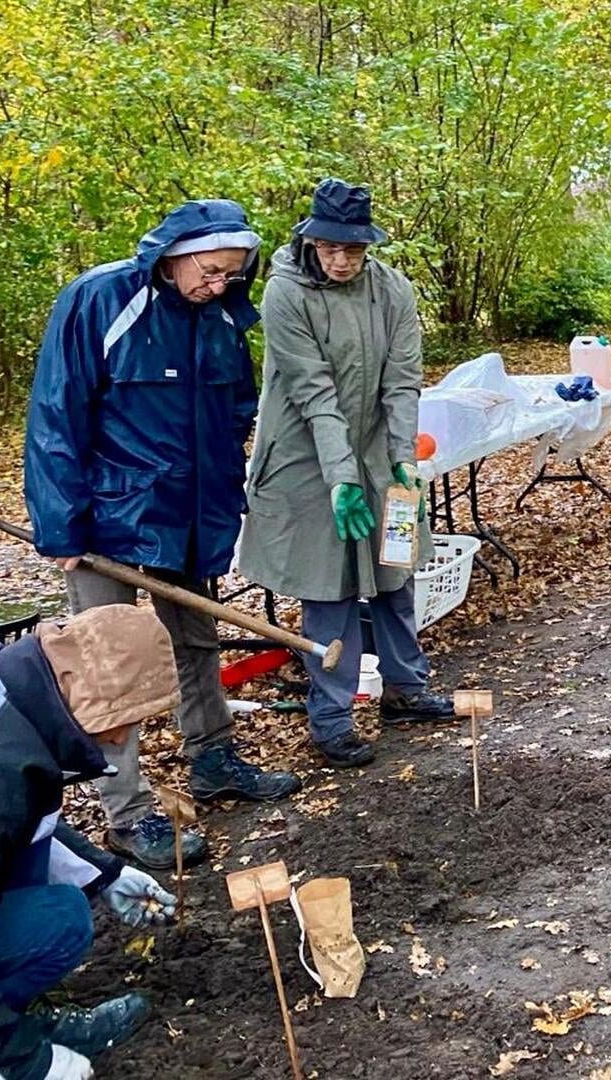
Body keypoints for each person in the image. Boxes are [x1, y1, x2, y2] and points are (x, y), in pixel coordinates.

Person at [24, 200, 300, 871]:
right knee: (111, 662)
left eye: (233, 274)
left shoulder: (223, 314)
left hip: (193, 511)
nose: (219, 285)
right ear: (174, 255)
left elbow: (239, 401)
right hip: (110, 519)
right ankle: (128, 810)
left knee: (195, 640)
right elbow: (55, 416)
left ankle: (212, 756)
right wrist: (58, 523)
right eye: (210, 271)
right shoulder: (98, 300)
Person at [0, 605, 185, 1080]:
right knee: (49, 928)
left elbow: (2, 829)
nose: (122, 737)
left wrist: (105, 873)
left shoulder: (5, 690)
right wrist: (29, 1065)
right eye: (122, 719)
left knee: (60, 917)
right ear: (84, 692)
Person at [238, 179, 458, 768]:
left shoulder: (392, 290)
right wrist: (341, 477)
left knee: (395, 569)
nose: (341, 261)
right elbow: (314, 393)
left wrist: (403, 461)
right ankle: (331, 717)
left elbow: (401, 380)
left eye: (352, 250)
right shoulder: (285, 294)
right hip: (306, 459)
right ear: (312, 240)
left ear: (368, 246)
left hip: (377, 450)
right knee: (328, 587)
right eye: (331, 248)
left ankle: (406, 691)